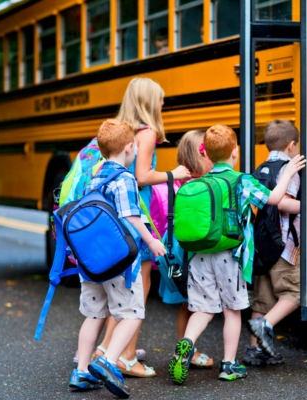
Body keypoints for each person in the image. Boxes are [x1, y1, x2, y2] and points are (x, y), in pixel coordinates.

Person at [168, 124, 306, 384]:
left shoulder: (200, 181)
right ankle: (229, 365)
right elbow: (275, 199)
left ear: (206, 155)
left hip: (199, 255)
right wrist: (287, 173)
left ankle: (186, 343)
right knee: (232, 311)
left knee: (203, 310)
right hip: (229, 256)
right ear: (235, 151)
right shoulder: (242, 180)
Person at [93, 77, 191, 377]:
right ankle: (126, 357)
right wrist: (172, 173)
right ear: (150, 102)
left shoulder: (123, 129)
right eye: (160, 99)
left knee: (123, 289)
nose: (163, 104)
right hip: (140, 212)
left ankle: (105, 349)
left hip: (117, 216)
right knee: (139, 287)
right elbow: (142, 176)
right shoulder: (146, 133)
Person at [69, 119, 166, 398]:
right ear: (128, 148)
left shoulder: (93, 175)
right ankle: (108, 361)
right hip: (119, 262)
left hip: (91, 261)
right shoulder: (124, 178)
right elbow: (130, 216)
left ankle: (83, 370)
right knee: (134, 313)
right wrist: (152, 240)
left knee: (94, 314)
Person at [244, 119, 307, 366]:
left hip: (261, 245)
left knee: (262, 300)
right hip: (283, 246)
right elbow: (284, 202)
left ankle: (255, 350)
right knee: (295, 292)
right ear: (292, 145)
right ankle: (263, 326)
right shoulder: (291, 167)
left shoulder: (262, 169)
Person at [155, 130, 215, 367]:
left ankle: (183, 347)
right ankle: (189, 349)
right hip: (191, 251)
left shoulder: (179, 183)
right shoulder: (200, 186)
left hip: (175, 250)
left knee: (185, 303)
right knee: (197, 303)